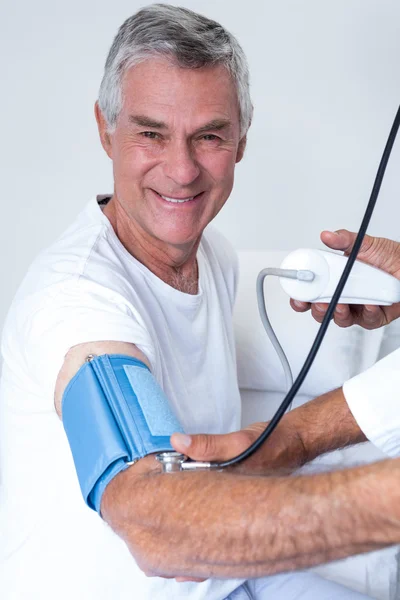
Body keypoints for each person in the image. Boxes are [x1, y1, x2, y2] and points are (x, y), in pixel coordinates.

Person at [0, 4, 379, 600]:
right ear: (105, 129)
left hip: (229, 581)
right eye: (151, 133)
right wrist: (385, 506)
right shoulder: (75, 304)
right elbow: (156, 527)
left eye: (209, 136)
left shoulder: (215, 256)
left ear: (242, 140)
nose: (181, 170)